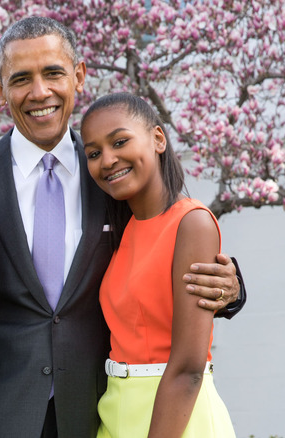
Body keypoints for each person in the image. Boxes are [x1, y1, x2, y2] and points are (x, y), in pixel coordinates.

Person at [0, 17, 245, 437]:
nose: (40, 92)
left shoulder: (117, 177)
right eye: (21, 79)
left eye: (53, 73)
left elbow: (167, 237)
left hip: (96, 409)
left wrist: (230, 288)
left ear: (79, 76)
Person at [81, 92, 236, 437]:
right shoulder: (123, 230)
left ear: (158, 138)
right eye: (93, 153)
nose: (107, 160)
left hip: (176, 417)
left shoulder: (191, 223)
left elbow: (188, 368)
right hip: (116, 410)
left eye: (119, 141)